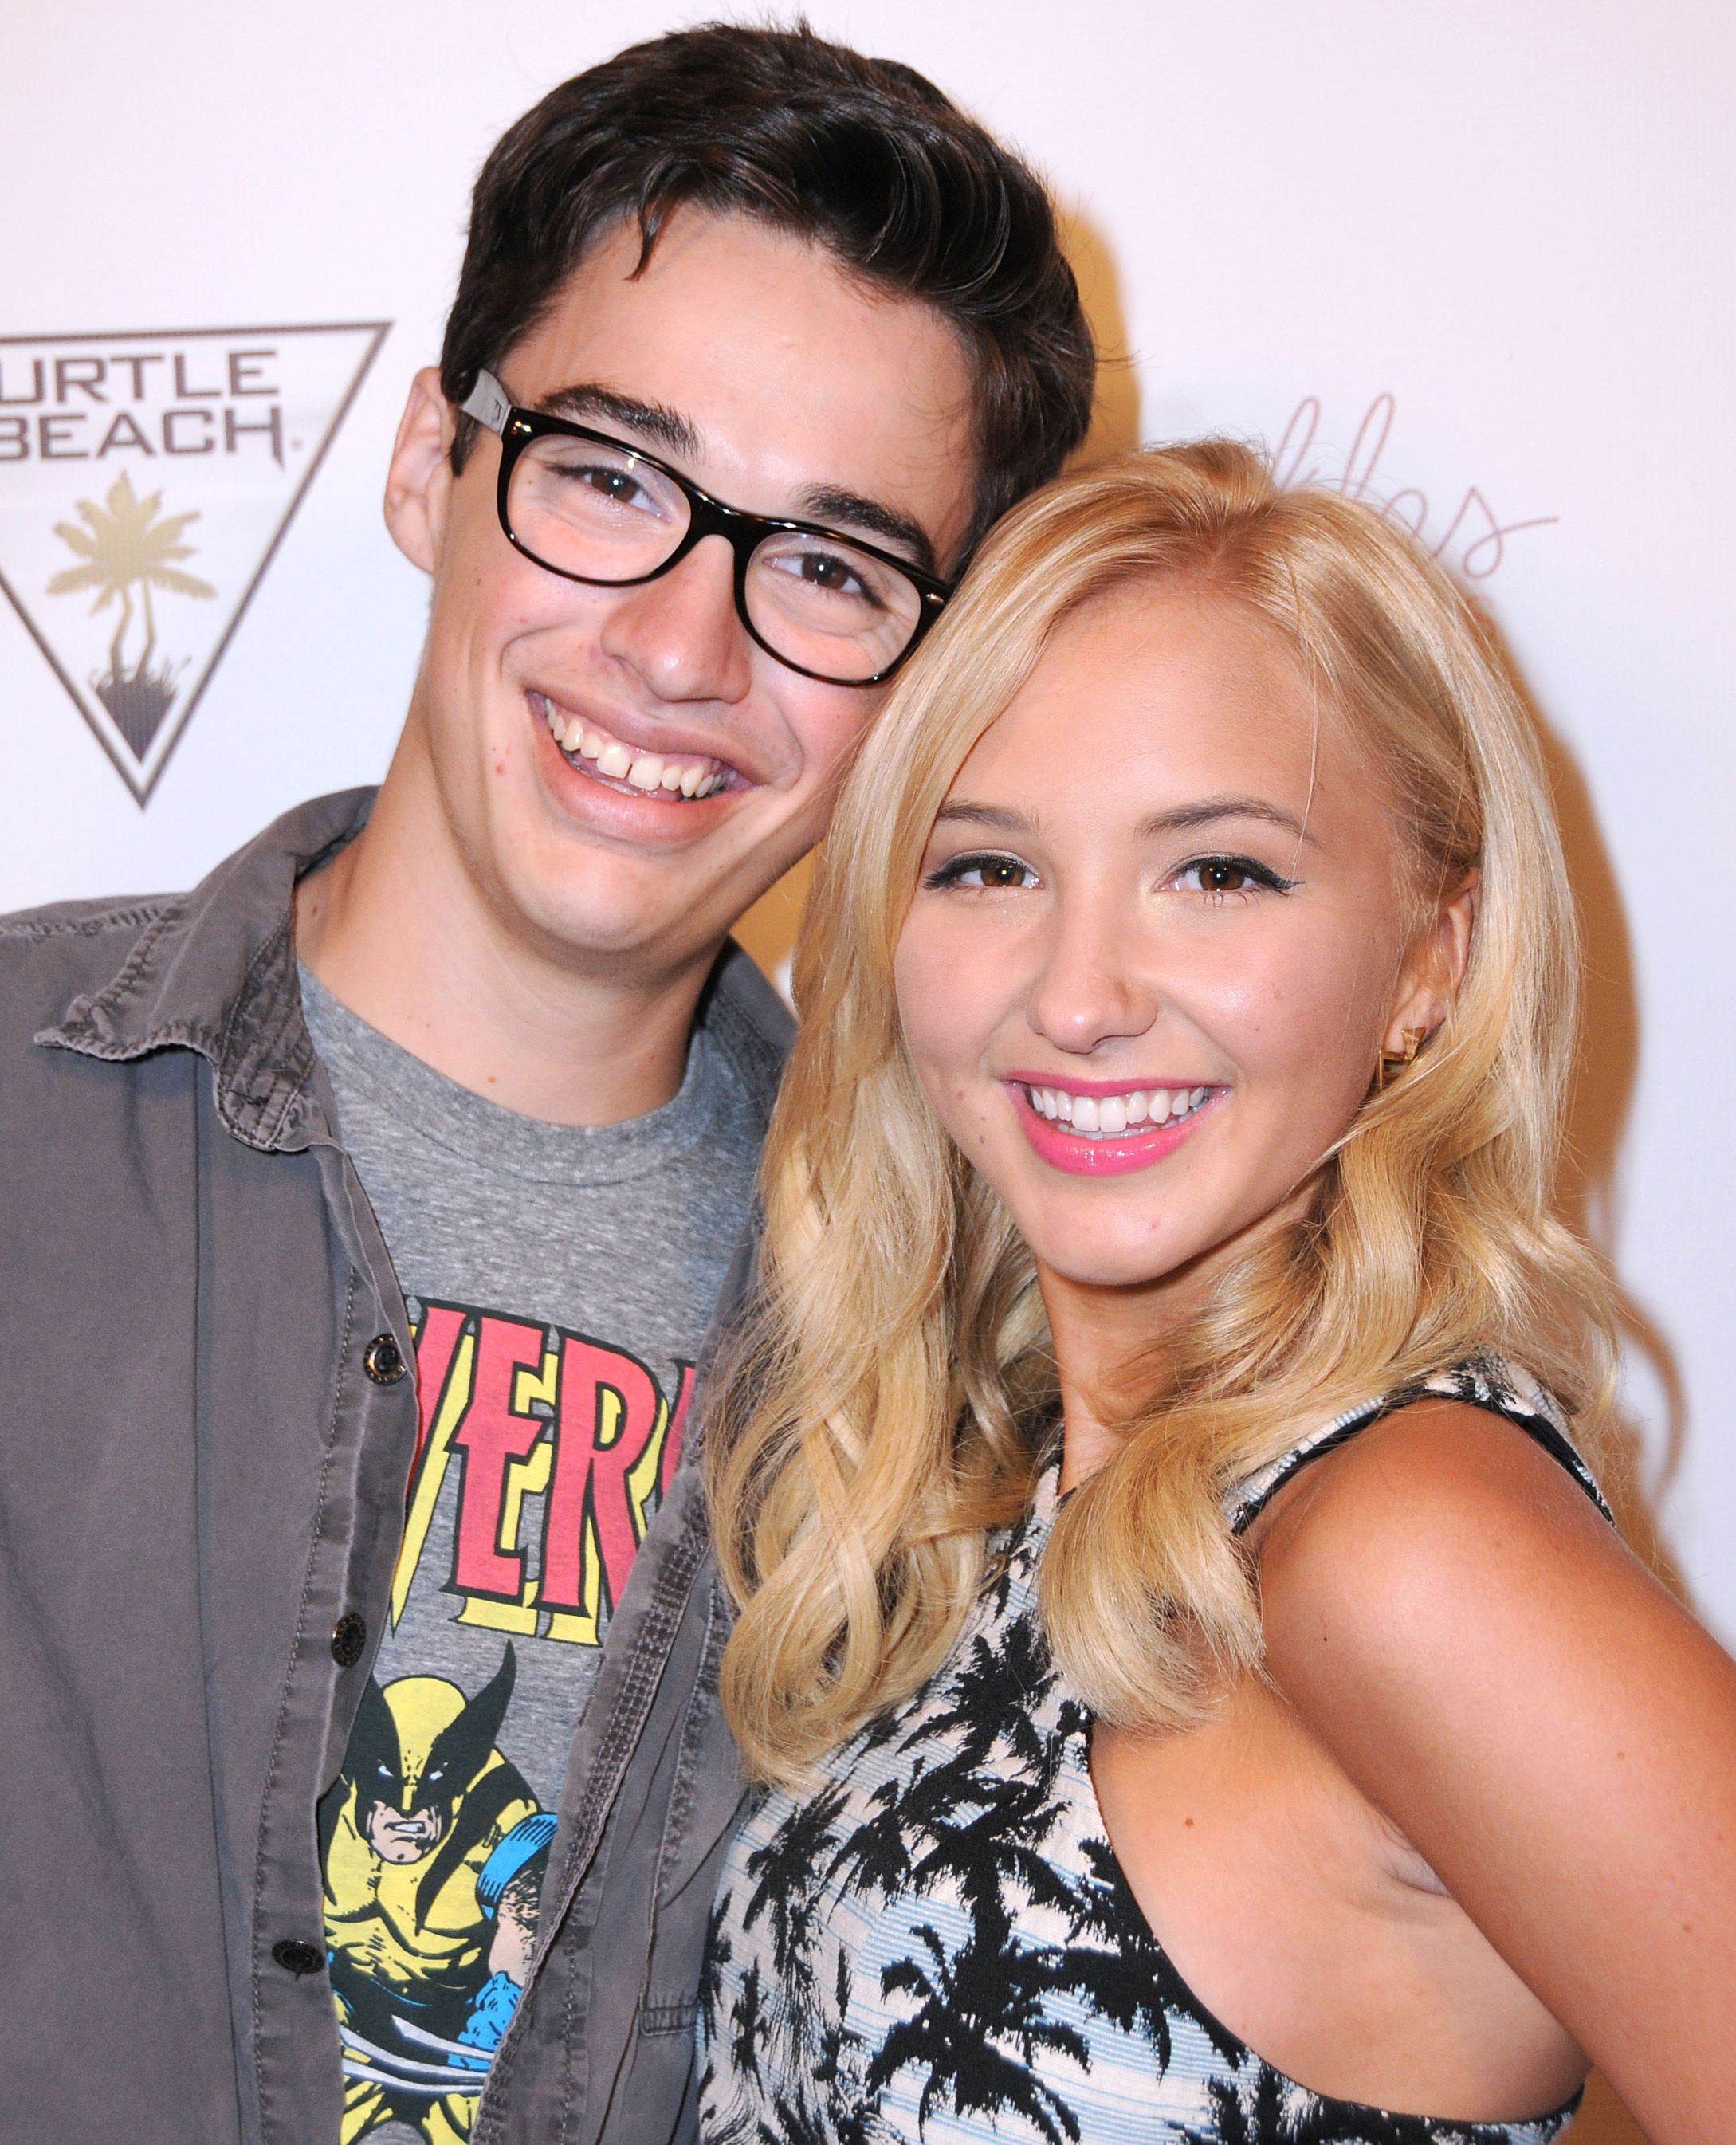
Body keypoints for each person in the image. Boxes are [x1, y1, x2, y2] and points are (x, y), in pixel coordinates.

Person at [0, 25, 1094, 2145]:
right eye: (610, 477)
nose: (683, 650)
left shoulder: (970, 1349)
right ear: (432, 463)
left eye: (832, 568)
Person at [701, 443, 1736, 2143]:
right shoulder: (1000, 1497)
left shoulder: (1407, 1542)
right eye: (987, 867)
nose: (1079, 995)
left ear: (1430, 961)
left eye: (1218, 872)